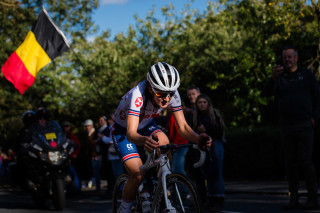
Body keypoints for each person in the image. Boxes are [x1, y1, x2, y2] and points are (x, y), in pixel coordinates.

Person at [112, 62, 212, 213]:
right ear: (151, 88)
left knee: (164, 142)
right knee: (137, 174)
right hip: (123, 130)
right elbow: (131, 133)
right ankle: (124, 208)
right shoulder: (138, 95)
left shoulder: (172, 93)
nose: (166, 99)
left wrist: (199, 139)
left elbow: (183, 127)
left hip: (145, 125)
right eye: (161, 94)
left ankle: (161, 188)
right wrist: (145, 140)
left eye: (170, 94)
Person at [263, 45, 320, 209]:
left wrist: (314, 118)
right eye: (285, 57)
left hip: (304, 124)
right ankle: (293, 198)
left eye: (290, 57)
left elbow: (317, 96)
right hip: (287, 126)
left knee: (306, 160)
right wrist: (273, 78)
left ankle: (312, 197)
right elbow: (266, 94)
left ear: (296, 58)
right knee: (291, 163)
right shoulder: (279, 77)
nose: (287, 60)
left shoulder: (307, 74)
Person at [193, 94, 226, 210]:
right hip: (201, 147)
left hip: (215, 145)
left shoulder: (214, 114)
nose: (202, 104)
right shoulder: (195, 117)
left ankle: (219, 198)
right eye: (199, 102)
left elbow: (219, 131)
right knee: (207, 173)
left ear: (208, 103)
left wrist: (206, 130)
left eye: (204, 102)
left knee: (216, 173)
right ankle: (211, 197)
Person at [167, 106, 189, 175]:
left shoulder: (176, 116)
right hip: (178, 144)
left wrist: (174, 144)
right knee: (176, 168)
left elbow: (180, 132)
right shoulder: (172, 115)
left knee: (177, 168)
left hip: (180, 145)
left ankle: (183, 185)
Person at [63, 121, 81, 193]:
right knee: (66, 173)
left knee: (73, 172)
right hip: (63, 158)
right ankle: (66, 189)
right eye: (65, 126)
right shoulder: (61, 136)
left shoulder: (72, 136)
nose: (66, 128)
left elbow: (78, 145)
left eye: (67, 126)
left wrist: (75, 154)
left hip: (71, 158)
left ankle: (77, 189)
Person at [84, 119, 101, 194]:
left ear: (92, 125)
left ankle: (98, 189)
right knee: (95, 172)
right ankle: (97, 188)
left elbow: (95, 145)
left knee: (97, 172)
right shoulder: (88, 134)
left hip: (96, 155)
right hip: (92, 155)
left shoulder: (94, 133)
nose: (87, 127)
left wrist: (95, 154)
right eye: (86, 126)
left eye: (88, 126)